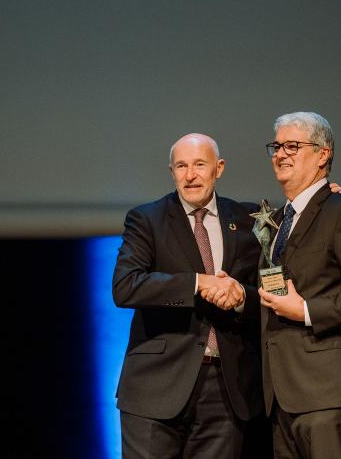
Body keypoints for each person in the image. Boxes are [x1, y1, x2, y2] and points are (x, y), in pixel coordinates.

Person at [112, 133, 264, 459]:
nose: (190, 175)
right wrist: (197, 284)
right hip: (156, 387)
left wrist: (240, 297)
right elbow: (126, 286)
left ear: (219, 168)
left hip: (226, 389)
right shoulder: (147, 219)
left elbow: (268, 290)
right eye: (181, 166)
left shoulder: (249, 219)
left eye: (199, 164)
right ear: (171, 171)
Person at [258, 112, 341, 459]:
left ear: (323, 155)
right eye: (276, 146)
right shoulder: (276, 222)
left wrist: (304, 310)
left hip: (331, 395)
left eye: (292, 146)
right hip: (283, 398)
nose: (280, 154)